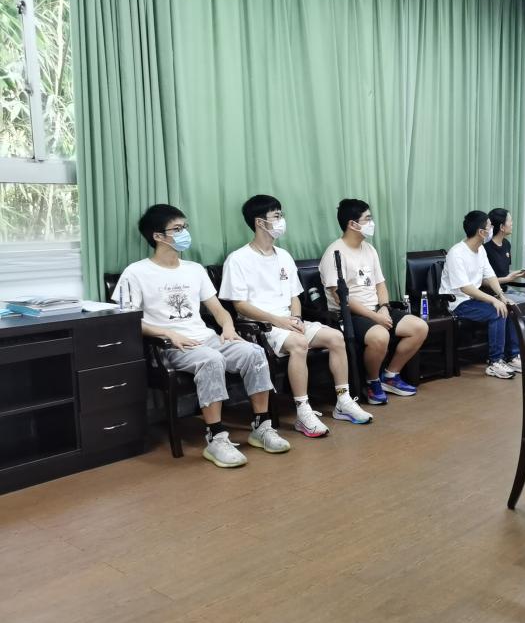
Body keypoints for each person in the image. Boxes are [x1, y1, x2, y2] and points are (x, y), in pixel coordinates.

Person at [115, 204, 287, 468]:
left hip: (207, 338)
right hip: (172, 346)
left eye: (185, 227)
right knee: (210, 359)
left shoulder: (194, 269)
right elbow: (128, 321)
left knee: (254, 352)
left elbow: (218, 310)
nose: (184, 233)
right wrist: (167, 333)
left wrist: (228, 328)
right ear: (158, 236)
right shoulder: (136, 273)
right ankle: (216, 438)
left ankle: (261, 427)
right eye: (177, 229)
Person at [220, 194, 371, 439]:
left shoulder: (284, 256)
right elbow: (240, 305)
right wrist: (278, 321)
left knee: (335, 337)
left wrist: (297, 318)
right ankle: (303, 411)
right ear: (259, 222)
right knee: (299, 343)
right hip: (261, 326)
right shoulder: (238, 259)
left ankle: (343, 401)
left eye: (281, 215)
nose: (281, 220)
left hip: (289, 322)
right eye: (276, 216)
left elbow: (294, 297)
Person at [320, 198, 426, 405]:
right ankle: (372, 381)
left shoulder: (369, 249)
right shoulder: (334, 253)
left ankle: (391, 376)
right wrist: (374, 317)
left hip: (376, 309)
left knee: (419, 327)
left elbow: (380, 284)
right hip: (350, 314)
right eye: (367, 219)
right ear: (353, 224)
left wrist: (384, 308)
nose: (372, 223)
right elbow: (341, 297)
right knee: (380, 336)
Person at [445, 210, 521, 379]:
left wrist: (501, 296)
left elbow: (490, 275)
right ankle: (495, 362)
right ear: (481, 232)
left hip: (474, 300)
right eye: (489, 227)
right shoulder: (456, 253)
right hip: (457, 303)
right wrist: (494, 301)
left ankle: (512, 356)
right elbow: (465, 288)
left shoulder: (480, 250)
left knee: (508, 306)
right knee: (497, 312)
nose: (492, 229)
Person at [483, 208, 525, 303]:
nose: (512, 224)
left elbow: (504, 272)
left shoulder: (506, 244)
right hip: (494, 295)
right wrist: (508, 279)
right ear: (502, 227)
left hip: (507, 290)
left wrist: (518, 274)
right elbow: (483, 281)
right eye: (510, 221)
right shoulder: (485, 249)